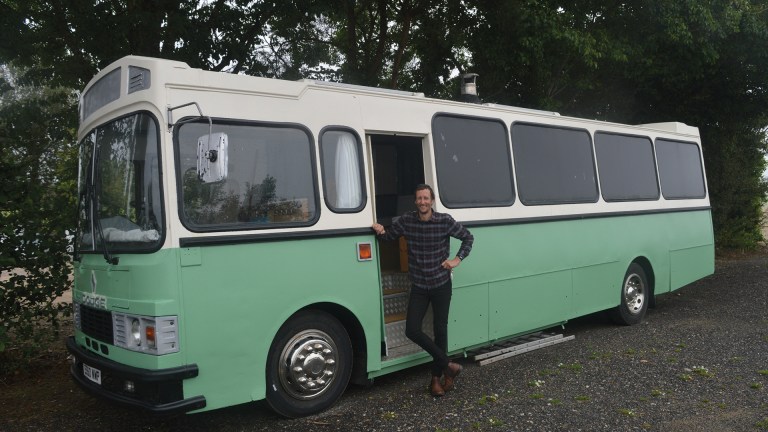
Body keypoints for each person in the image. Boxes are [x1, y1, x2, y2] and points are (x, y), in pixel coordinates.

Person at [372, 184, 474, 396]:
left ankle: (436, 379)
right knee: (412, 329)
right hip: (419, 285)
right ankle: (449, 366)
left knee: (440, 330)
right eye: (419, 198)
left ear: (432, 200)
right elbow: (388, 237)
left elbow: (468, 237)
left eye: (426, 198)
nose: (422, 202)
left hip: (441, 284)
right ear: (415, 201)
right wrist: (380, 230)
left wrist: (457, 259)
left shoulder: (444, 221)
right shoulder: (407, 221)